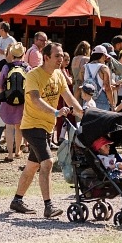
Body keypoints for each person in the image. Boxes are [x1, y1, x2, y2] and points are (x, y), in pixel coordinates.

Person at [10, 41, 81, 219]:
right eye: (57, 55)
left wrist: (84, 113)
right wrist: (56, 112)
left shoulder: (59, 74)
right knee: (47, 162)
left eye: (62, 55)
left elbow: (69, 97)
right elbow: (35, 99)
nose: (61, 58)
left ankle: (17, 200)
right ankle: (49, 206)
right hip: (32, 126)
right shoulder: (33, 75)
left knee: (32, 166)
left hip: (46, 127)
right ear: (46, 57)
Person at [0, 43, 28, 158]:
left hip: (8, 100)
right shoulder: (27, 67)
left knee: (9, 127)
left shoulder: (6, 67)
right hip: (22, 102)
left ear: (12, 54)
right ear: (23, 54)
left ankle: (9, 154)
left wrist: (1, 98)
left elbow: (0, 84)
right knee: (19, 127)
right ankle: (18, 151)